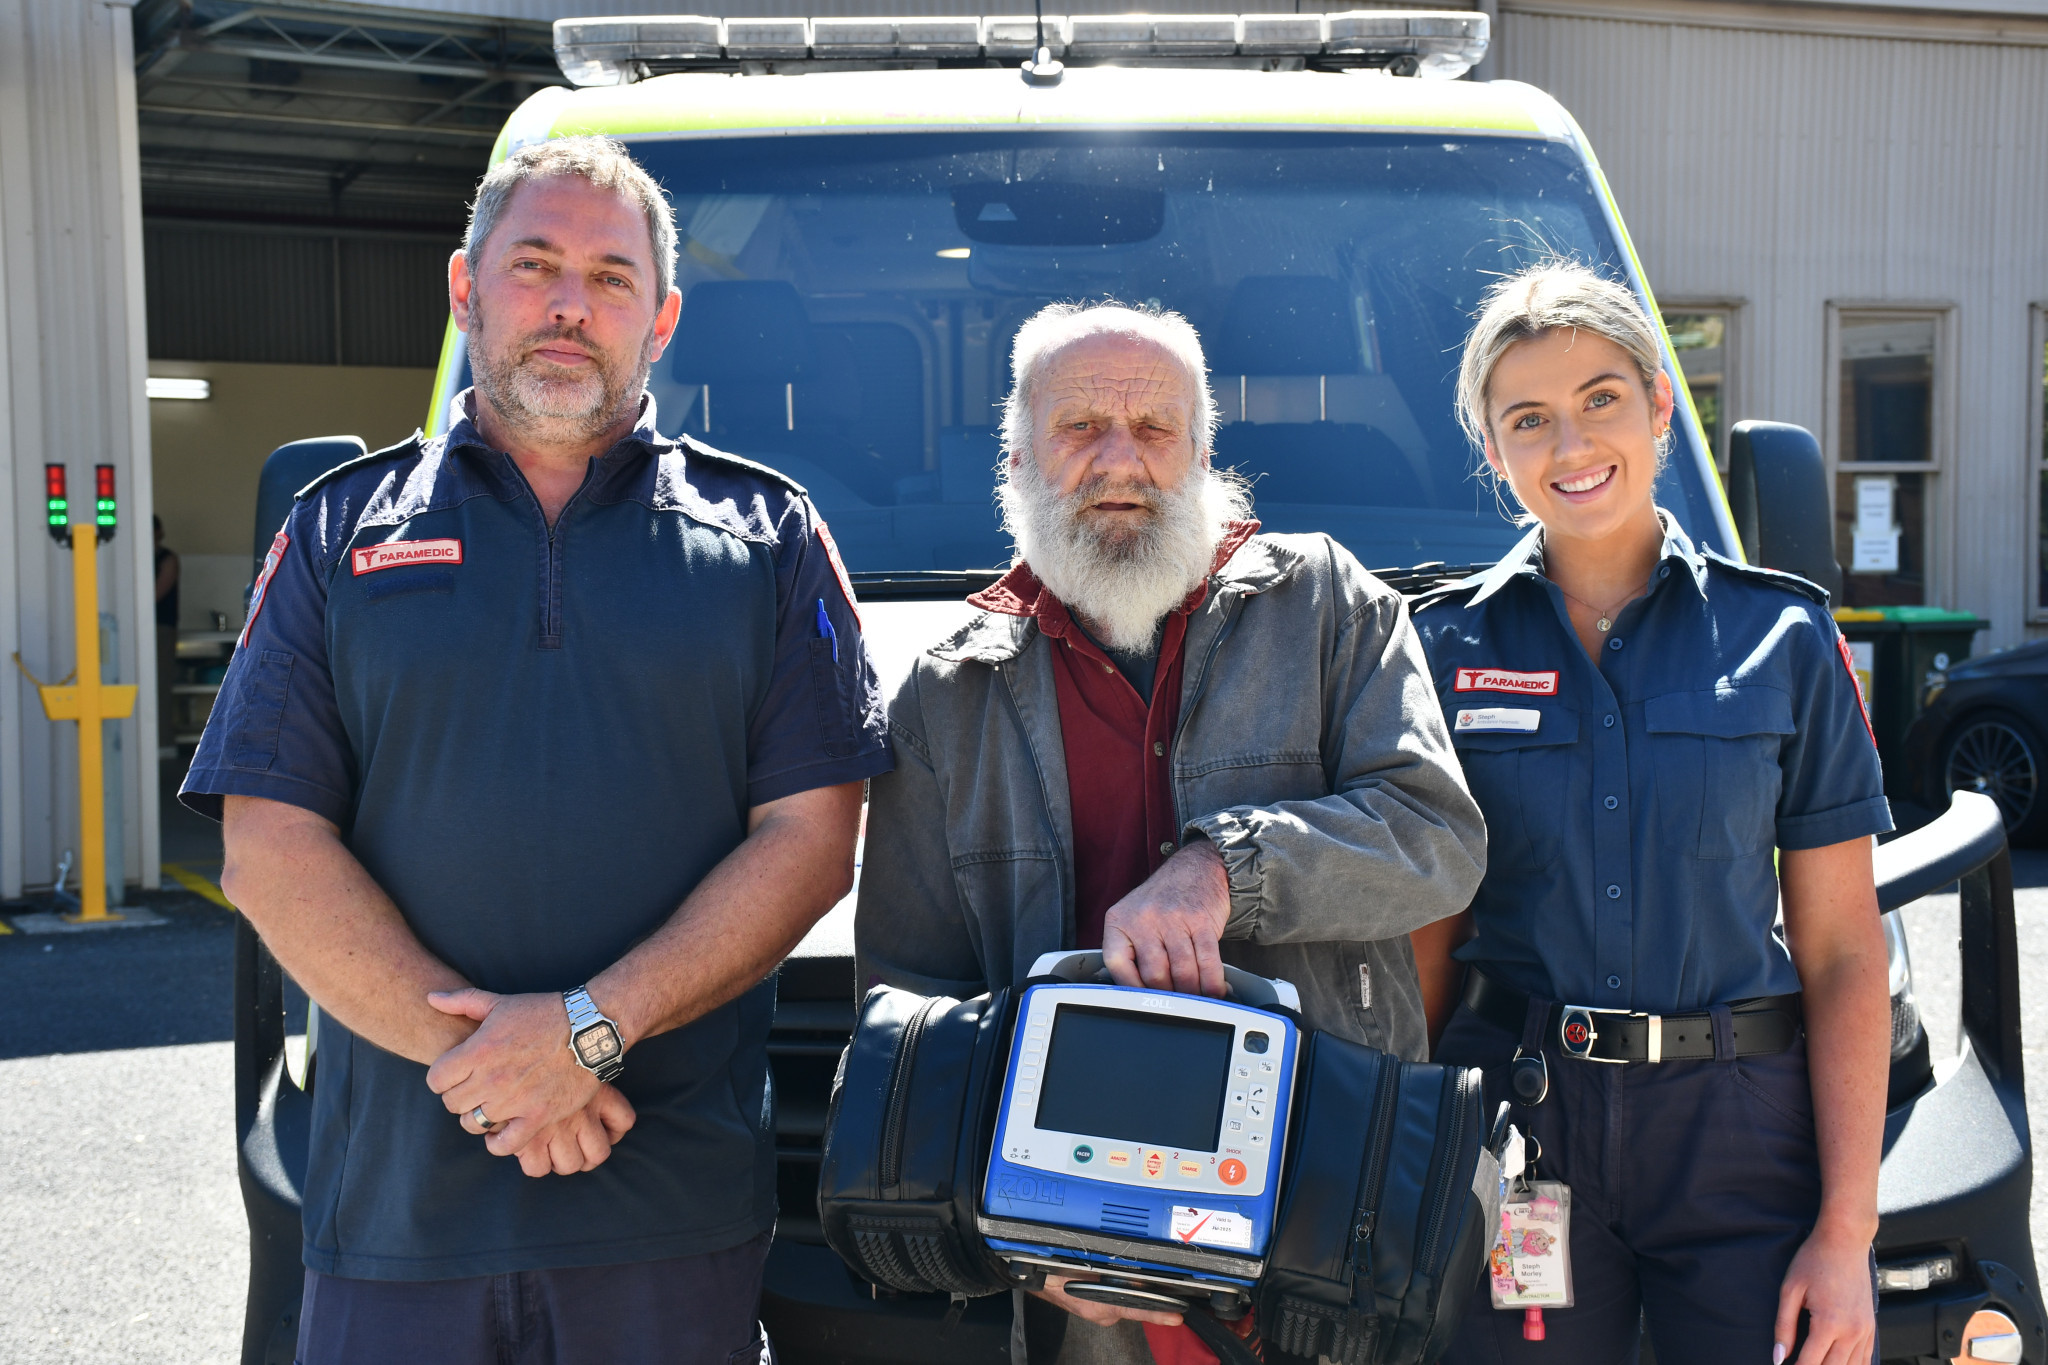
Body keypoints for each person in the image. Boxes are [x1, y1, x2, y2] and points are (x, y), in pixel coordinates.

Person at [180, 136, 891, 1364]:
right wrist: (503, 1065)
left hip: (668, 1219)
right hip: (396, 1222)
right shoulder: (340, 530)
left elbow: (814, 843)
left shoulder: (767, 536)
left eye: (612, 278)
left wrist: (587, 1031)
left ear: (660, 319)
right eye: (537, 265)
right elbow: (268, 848)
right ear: (465, 289)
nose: (571, 305)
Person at [855, 301, 1489, 1365]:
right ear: (1014, 453)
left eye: (1154, 431)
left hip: (1318, 1235)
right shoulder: (945, 691)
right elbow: (910, 1005)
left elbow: (1436, 838)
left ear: (1203, 452)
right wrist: (1004, 1222)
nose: (1120, 462)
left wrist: (1225, 869)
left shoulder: (1329, 606)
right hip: (1075, 1268)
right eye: (1078, 429)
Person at [1409, 261, 1890, 1365]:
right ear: (1491, 450)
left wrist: (1845, 1228)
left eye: (1599, 399)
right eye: (1526, 419)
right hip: (1519, 1121)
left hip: (1737, 1134)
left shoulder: (1785, 641)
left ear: (1660, 404)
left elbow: (1840, 954)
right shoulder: (1437, 653)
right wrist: (1414, 1156)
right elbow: (1422, 945)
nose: (1570, 446)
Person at [154, 515, 180, 752]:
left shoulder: (167, 559)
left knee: (160, 686)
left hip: (161, 628)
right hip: (147, 630)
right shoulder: (141, 558)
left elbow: (155, 594)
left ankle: (163, 744)